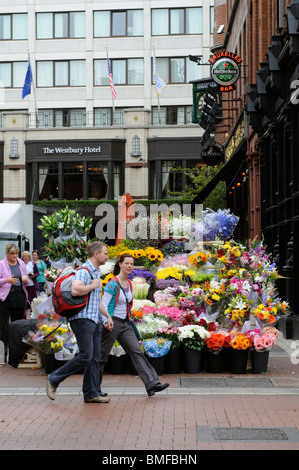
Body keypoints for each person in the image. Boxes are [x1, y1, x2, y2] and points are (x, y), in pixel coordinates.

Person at [46, 241, 114, 404]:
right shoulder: (84, 271)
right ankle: (53, 379)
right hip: (82, 319)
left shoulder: (95, 272)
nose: (107, 256)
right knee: (85, 356)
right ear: (96, 254)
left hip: (93, 319)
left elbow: (96, 301)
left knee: (94, 359)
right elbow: (76, 289)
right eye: (105, 253)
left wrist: (107, 317)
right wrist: (92, 285)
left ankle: (91, 393)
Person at [98, 253, 169, 397]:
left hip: (125, 324)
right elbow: (103, 305)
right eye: (127, 263)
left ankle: (152, 384)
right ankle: (94, 388)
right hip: (112, 324)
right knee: (101, 356)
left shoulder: (129, 283)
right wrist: (106, 321)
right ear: (120, 264)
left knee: (137, 351)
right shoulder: (112, 284)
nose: (130, 266)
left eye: (132, 264)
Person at [0, 243, 29, 360]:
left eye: (16, 253)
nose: (14, 256)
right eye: (12, 254)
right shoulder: (1, 264)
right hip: (6, 298)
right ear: (7, 253)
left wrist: (25, 280)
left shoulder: (21, 263)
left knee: (18, 324)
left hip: (19, 296)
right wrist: (7, 280)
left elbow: (25, 277)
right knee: (4, 325)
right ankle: (6, 347)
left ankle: (17, 349)